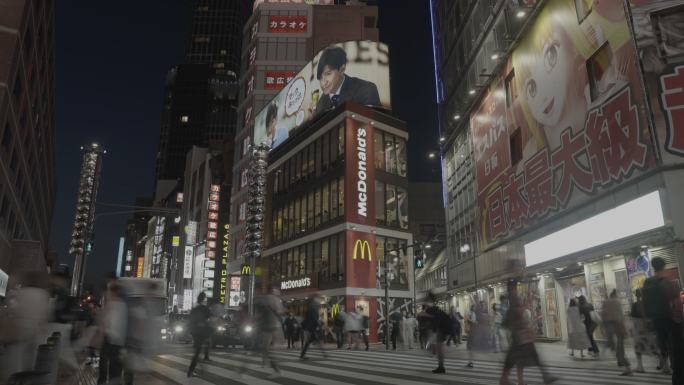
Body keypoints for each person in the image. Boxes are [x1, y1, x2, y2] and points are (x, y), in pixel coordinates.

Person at [499, 281, 557, 385]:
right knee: (523, 357)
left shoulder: (511, 299)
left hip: (520, 334)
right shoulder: (513, 297)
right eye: (515, 287)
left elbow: (512, 317)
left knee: (516, 359)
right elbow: (518, 312)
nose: (516, 289)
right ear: (513, 288)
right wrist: (526, 303)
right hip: (521, 334)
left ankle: (508, 380)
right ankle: (544, 376)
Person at [0, 271, 50, 383]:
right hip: (35, 329)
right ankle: (28, 379)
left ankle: (14, 379)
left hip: (20, 327)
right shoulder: (43, 294)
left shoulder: (21, 292)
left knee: (16, 357)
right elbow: (45, 313)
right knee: (31, 357)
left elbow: (13, 309)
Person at [642, 256, 683, 382]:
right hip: (671, 321)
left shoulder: (647, 283)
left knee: (663, 346)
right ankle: (678, 378)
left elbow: (644, 304)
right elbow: (677, 305)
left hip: (657, 321)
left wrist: (647, 320)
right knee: (678, 351)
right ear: (664, 266)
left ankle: (666, 366)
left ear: (653, 267)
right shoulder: (668, 282)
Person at [314, 46, 381, 115]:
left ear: (342, 69)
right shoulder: (320, 106)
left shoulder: (366, 90)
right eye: (320, 78)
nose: (323, 83)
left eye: (328, 74)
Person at [97, 282, 130, 384]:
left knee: (104, 366)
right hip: (120, 341)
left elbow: (106, 323)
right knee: (115, 369)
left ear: (112, 292)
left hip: (110, 339)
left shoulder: (111, 304)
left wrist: (100, 335)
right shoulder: (124, 305)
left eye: (109, 292)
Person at [254, 286, 285, 377]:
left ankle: (276, 369)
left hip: (268, 327)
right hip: (273, 326)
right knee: (268, 348)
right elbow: (280, 312)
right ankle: (271, 367)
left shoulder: (264, 299)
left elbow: (259, 315)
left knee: (267, 348)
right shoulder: (275, 300)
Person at [630, 288, 661, 373]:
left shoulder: (635, 305)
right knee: (653, 346)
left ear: (636, 295)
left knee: (638, 347)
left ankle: (640, 366)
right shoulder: (649, 304)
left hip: (638, 328)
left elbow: (632, 317)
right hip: (648, 327)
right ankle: (664, 363)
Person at [602, 289, 632, 375]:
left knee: (617, 349)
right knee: (619, 349)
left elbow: (603, 315)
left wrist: (604, 327)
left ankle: (626, 367)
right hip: (617, 326)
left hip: (611, 327)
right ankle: (626, 367)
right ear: (615, 295)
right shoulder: (616, 302)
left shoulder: (606, 302)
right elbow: (620, 316)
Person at [424, 292, 452, 374]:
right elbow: (434, 318)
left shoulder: (433, 308)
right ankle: (441, 366)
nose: (426, 302)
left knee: (440, 348)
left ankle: (441, 367)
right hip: (443, 328)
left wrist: (434, 330)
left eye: (427, 300)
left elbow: (436, 318)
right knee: (439, 348)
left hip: (443, 329)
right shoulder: (434, 308)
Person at [187, 293, 212, 377]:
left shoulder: (195, 309)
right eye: (205, 299)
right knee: (197, 352)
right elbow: (210, 318)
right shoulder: (204, 309)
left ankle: (194, 369)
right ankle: (191, 370)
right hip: (201, 333)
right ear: (203, 299)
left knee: (197, 351)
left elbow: (190, 321)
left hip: (195, 333)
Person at [300, 295, 328, 359]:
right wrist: (318, 324)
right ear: (315, 299)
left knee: (310, 341)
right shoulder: (313, 307)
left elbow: (313, 317)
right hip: (311, 327)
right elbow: (313, 318)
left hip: (311, 327)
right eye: (318, 299)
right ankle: (324, 353)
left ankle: (302, 354)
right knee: (316, 340)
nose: (319, 301)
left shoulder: (313, 306)